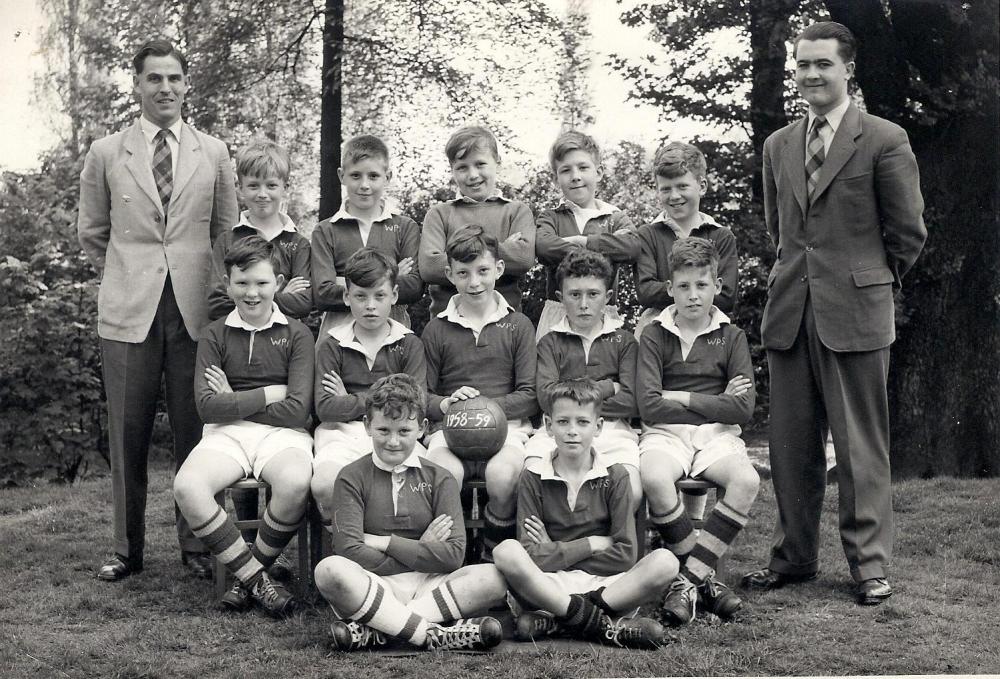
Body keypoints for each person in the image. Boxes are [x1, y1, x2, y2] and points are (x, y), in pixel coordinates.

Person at [742, 21, 926, 606]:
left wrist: (869, 283)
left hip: (856, 312)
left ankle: (869, 566)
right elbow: (782, 232)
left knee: (859, 447)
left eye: (823, 63)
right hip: (792, 312)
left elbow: (908, 233)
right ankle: (794, 558)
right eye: (802, 65)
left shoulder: (884, 138)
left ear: (848, 68)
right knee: (790, 446)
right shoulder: (777, 146)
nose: (811, 75)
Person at [77, 38, 239, 581]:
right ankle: (127, 550)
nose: (164, 88)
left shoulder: (213, 151)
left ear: (186, 84)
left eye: (173, 78)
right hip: (129, 311)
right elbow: (92, 232)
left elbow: (226, 233)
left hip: (197, 310)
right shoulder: (105, 152)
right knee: (128, 432)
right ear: (137, 85)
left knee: (198, 432)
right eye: (154, 78)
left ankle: (198, 547)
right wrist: (132, 268)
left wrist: (209, 284)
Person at [173, 236, 314, 616]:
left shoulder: (298, 333)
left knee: (296, 482)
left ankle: (244, 579)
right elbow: (206, 407)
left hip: (283, 435)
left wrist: (232, 401)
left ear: (279, 283)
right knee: (188, 486)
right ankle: (257, 580)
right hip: (226, 435)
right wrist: (270, 393)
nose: (252, 293)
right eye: (242, 283)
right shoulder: (215, 334)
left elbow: (299, 411)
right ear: (227, 282)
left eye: (262, 283)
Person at [314, 373, 507, 652]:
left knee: (494, 578)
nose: (393, 441)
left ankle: (380, 628)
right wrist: (421, 550)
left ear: (422, 428)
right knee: (329, 570)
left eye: (404, 431)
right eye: (383, 431)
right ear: (367, 426)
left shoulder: (440, 477)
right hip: (373, 584)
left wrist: (385, 542)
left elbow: (453, 556)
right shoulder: (350, 476)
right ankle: (431, 633)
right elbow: (348, 550)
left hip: (430, 583)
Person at [492, 378, 671, 649]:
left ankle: (562, 618)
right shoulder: (533, 475)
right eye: (563, 422)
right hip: (548, 584)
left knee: (665, 562)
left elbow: (624, 556)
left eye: (582, 422)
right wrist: (592, 544)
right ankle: (604, 625)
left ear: (598, 427)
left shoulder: (616, 475)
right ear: (548, 426)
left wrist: (554, 551)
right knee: (506, 551)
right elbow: (529, 554)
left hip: (606, 586)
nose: (572, 431)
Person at [637, 237, 759, 626]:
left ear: (717, 287)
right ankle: (706, 583)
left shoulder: (732, 336)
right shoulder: (654, 334)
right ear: (670, 288)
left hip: (716, 435)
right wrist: (713, 399)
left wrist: (683, 395)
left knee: (746, 480)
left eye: (702, 285)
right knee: (655, 477)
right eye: (684, 286)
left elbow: (743, 407)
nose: (693, 295)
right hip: (665, 433)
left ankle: (686, 581)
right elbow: (649, 405)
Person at [421, 225, 538, 556]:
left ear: (498, 270)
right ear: (449, 274)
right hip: (450, 430)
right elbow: (422, 395)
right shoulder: (436, 328)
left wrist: (483, 410)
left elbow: (530, 394)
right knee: (445, 476)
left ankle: (491, 553)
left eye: (483, 271)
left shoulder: (518, 326)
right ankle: (454, 556)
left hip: (508, 431)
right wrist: (446, 405)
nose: (474, 282)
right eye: (463, 273)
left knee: (503, 476)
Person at [312, 248, 427, 530]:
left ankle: (392, 552)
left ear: (395, 296)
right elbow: (325, 408)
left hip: (396, 432)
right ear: (346, 297)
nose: (370, 306)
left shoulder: (408, 343)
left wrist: (349, 399)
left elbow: (416, 403)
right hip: (341, 434)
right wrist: (392, 394)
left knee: (420, 483)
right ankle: (345, 546)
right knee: (325, 483)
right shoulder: (332, 344)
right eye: (360, 296)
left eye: (379, 296)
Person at [526, 250, 643, 511]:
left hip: (613, 432)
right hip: (556, 431)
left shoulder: (624, 341)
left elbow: (632, 401)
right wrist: (607, 387)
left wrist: (566, 395)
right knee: (528, 476)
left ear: (608, 297)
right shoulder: (550, 342)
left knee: (632, 491)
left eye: (593, 294)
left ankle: (617, 548)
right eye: (574, 294)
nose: (584, 304)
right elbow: (546, 398)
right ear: (560, 298)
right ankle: (543, 546)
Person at [311, 134, 423, 334]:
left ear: (387, 177)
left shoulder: (405, 227)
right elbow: (322, 294)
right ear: (341, 176)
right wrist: (391, 276)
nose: (364, 185)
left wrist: (342, 281)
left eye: (373, 176)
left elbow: (414, 287)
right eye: (355, 175)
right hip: (338, 343)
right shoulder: (325, 231)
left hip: (392, 341)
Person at [533, 130, 639, 340]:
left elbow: (633, 246)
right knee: (554, 369)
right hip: (558, 313)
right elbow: (544, 247)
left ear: (598, 173)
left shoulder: (614, 217)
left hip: (602, 312)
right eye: (566, 170)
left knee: (602, 369)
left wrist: (584, 241)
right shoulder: (551, 217)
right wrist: (605, 251)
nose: (575, 176)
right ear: (556, 179)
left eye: (583, 167)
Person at [418, 125, 535, 315]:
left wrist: (454, 255)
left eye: (480, 164)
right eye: (462, 167)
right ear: (452, 170)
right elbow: (430, 268)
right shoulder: (439, 214)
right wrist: (501, 249)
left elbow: (523, 259)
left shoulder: (516, 211)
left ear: (497, 161)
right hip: (449, 322)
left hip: (505, 322)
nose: (472, 175)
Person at [632, 141, 738, 338]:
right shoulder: (647, 234)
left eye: (682, 186)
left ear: (702, 186)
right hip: (656, 334)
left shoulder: (721, 236)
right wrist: (700, 289)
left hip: (708, 335)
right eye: (665, 189)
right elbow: (646, 292)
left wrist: (675, 288)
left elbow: (726, 296)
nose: (674, 196)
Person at [206, 139, 312, 322]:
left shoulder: (298, 243)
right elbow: (217, 305)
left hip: (283, 341)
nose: (262, 194)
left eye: (271, 185)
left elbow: (303, 303)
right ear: (241, 188)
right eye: (254, 185)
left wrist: (242, 296)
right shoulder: (227, 241)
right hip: (236, 340)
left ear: (285, 188)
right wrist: (280, 295)